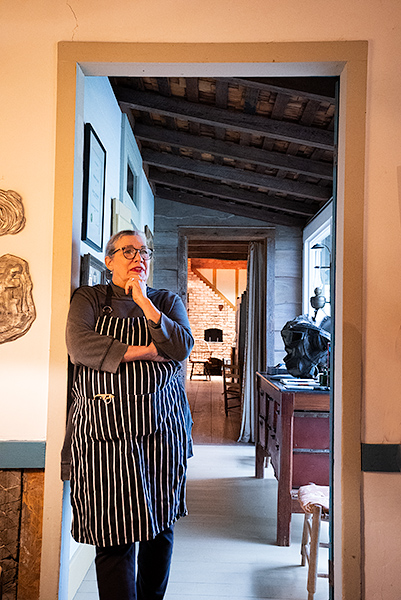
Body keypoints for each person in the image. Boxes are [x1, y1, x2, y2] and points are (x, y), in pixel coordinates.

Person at [64, 229, 194, 600]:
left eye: (145, 252)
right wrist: (150, 350)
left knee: (160, 528)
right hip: (105, 439)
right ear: (108, 261)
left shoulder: (166, 300)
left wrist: (144, 302)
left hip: (161, 434)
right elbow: (80, 345)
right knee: (112, 535)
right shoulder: (88, 298)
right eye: (128, 251)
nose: (139, 258)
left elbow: (182, 345)